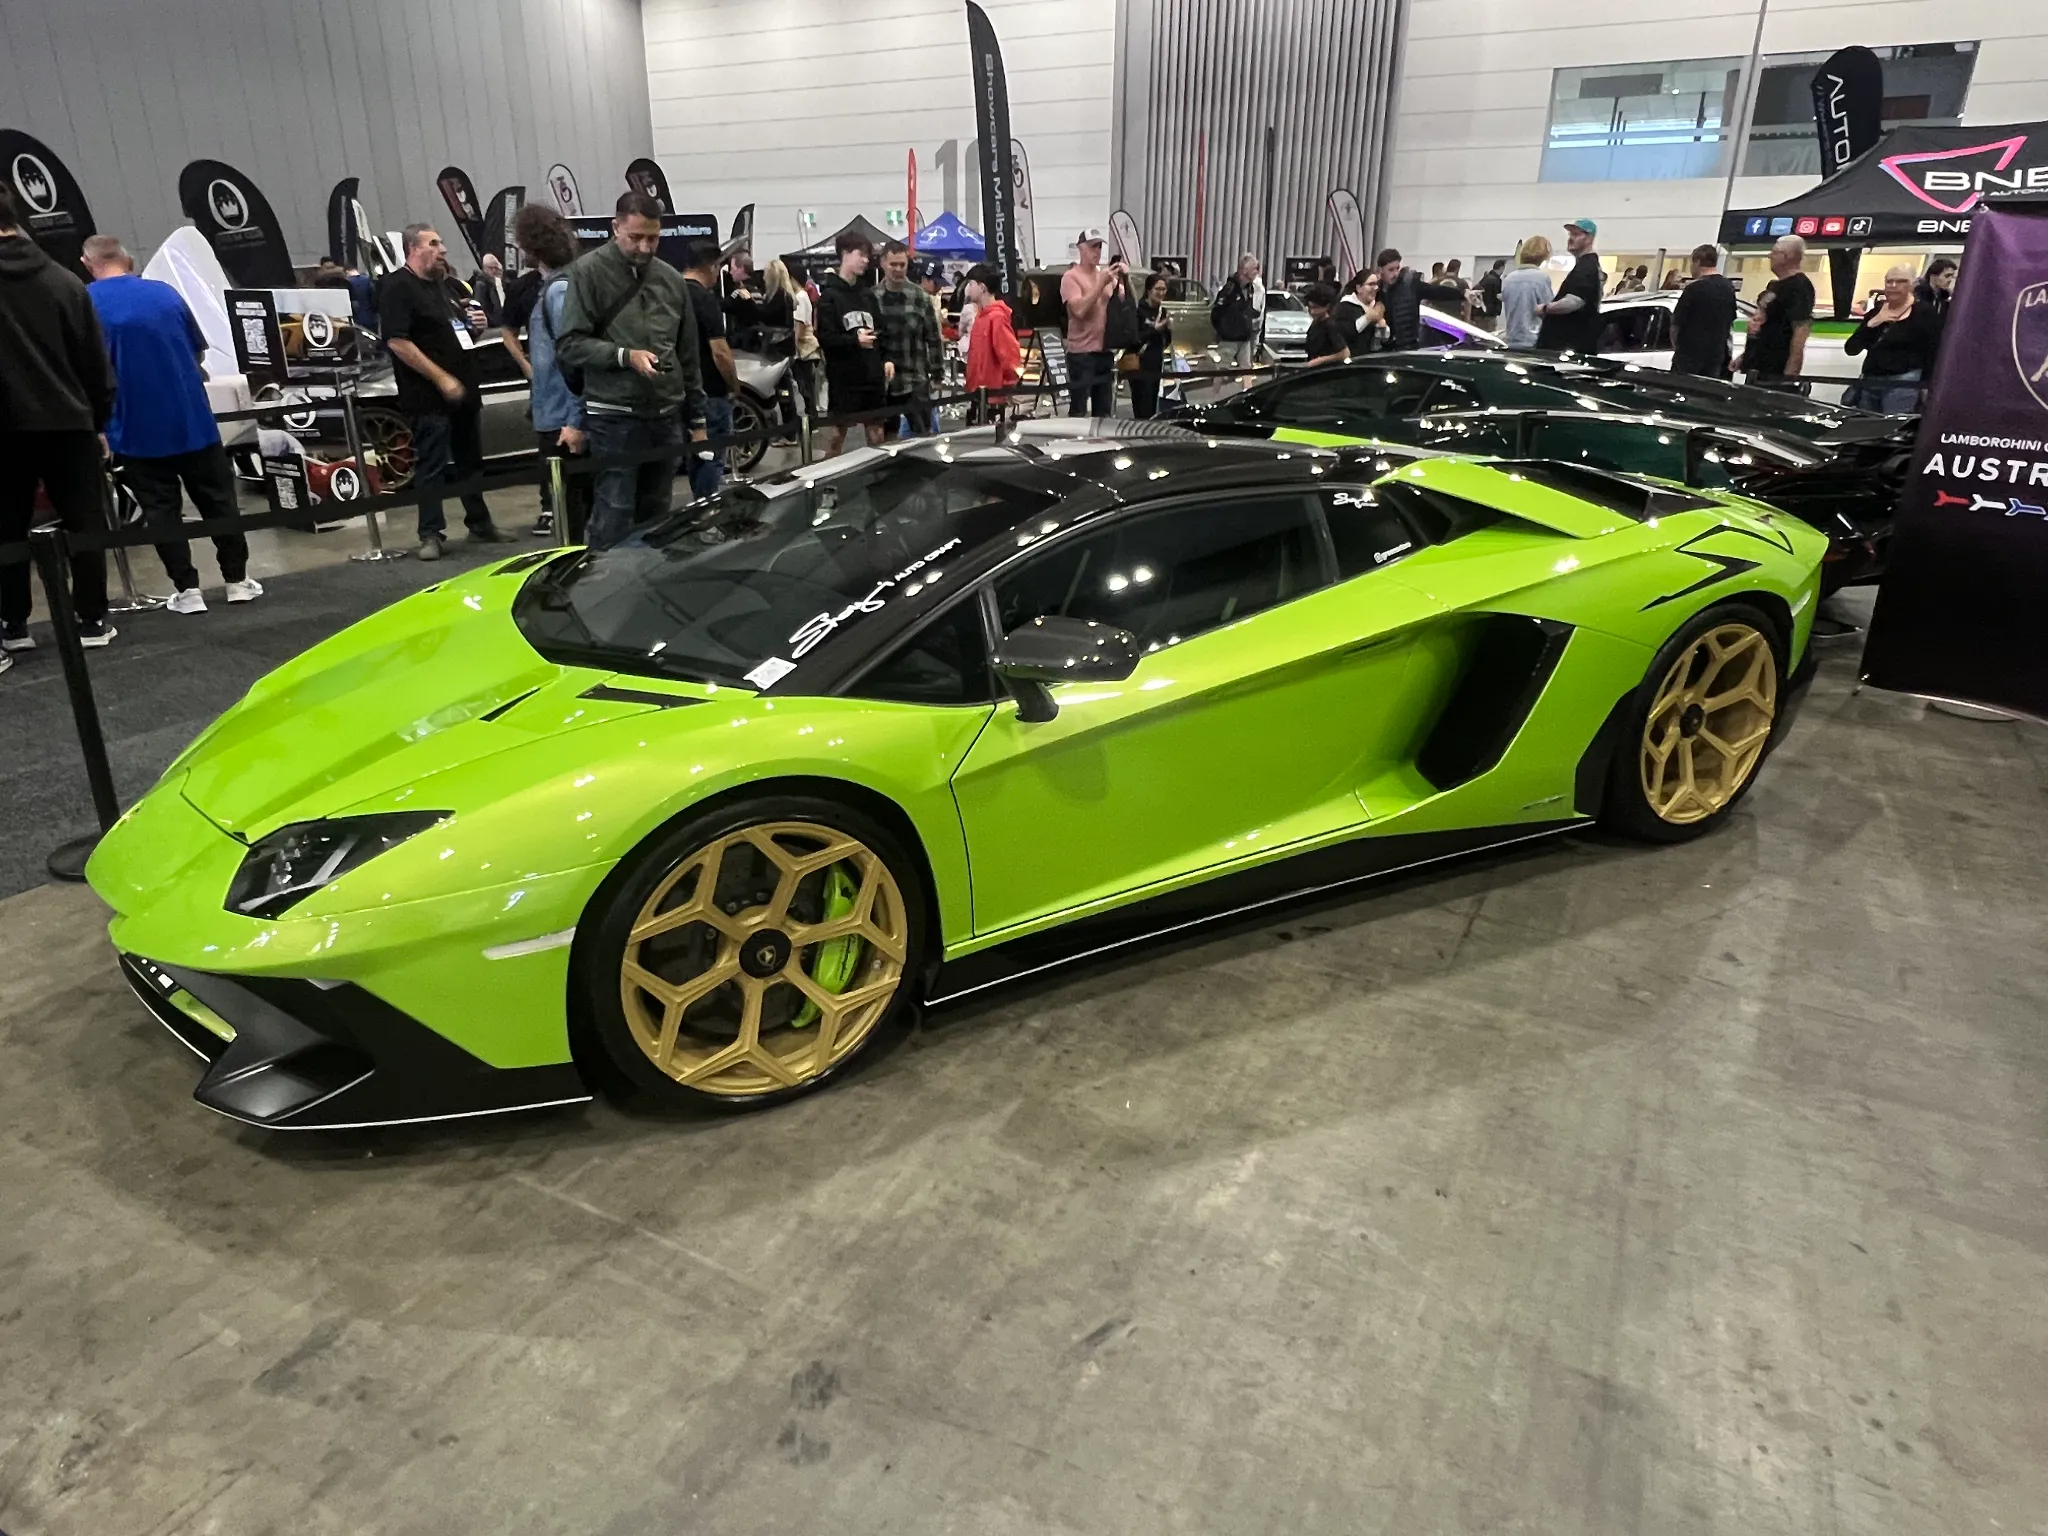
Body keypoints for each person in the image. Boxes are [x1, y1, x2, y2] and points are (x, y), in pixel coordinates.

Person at [81, 235, 260, 612]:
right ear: (127, 258)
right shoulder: (165, 294)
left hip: (133, 429)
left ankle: (188, 591)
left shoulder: (85, 303)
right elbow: (198, 351)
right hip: (192, 420)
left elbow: (86, 373)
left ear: (87, 263)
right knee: (219, 503)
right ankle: (237, 581)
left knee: (163, 513)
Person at [0, 182, 117, 656]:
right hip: (70, 423)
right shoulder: (65, 281)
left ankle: (12, 624)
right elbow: (95, 362)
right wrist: (99, 421)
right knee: (84, 522)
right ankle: (91, 619)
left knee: (4, 528)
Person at [556, 191, 705, 548]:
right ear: (615, 228)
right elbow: (570, 344)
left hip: (665, 415)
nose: (644, 247)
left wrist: (698, 421)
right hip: (614, 417)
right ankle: (600, 587)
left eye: (653, 238)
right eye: (635, 237)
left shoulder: (671, 281)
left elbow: (688, 354)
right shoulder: (587, 273)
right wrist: (626, 356)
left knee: (658, 514)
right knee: (614, 511)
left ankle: (646, 590)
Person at [378, 224, 503, 559]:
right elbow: (398, 342)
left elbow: (457, 335)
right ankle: (430, 534)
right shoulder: (398, 287)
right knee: (432, 464)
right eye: (434, 243)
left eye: (442, 242)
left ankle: (480, 523)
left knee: (471, 462)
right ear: (413, 248)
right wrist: (440, 377)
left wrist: (475, 328)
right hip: (428, 395)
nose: (443, 249)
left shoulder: (445, 286)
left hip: (464, 390)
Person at [505, 203, 587, 540]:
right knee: (567, 514)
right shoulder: (553, 287)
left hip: (562, 422)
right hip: (552, 414)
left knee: (575, 518)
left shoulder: (561, 291)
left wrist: (574, 421)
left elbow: (576, 361)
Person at [815, 229, 887, 453]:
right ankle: (827, 483)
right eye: (861, 254)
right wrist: (854, 340)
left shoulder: (867, 295)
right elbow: (826, 338)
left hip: (872, 377)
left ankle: (879, 480)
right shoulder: (829, 296)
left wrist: (886, 360)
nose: (866, 261)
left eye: (868, 256)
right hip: (844, 380)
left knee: (877, 435)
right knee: (836, 437)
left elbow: (882, 330)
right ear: (845, 253)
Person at [680, 238, 739, 499]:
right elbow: (719, 351)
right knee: (711, 458)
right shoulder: (704, 299)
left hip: (678, 392)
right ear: (711, 266)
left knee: (693, 456)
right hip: (709, 392)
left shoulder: (673, 294)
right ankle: (706, 516)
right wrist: (734, 384)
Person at [1842, 262, 1943, 414]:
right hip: (1871, 379)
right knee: (1866, 425)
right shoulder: (1876, 311)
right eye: (1889, 281)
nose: (1893, 285)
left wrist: (1925, 385)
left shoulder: (1925, 313)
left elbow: (1933, 352)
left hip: (1904, 382)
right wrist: (1872, 324)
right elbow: (1851, 348)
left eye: (1902, 281)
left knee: (1893, 429)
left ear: (1913, 285)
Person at [875, 241, 943, 437]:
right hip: (885, 382)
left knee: (923, 436)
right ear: (883, 263)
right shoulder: (872, 297)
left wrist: (937, 374)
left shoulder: (920, 297)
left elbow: (933, 337)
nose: (897, 269)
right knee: (885, 438)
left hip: (916, 380)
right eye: (893, 264)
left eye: (902, 265)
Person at [1061, 229, 1123, 416]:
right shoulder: (1071, 277)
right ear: (1081, 248)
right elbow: (1079, 310)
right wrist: (1100, 284)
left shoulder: (1105, 276)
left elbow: (1121, 306)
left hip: (1104, 350)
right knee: (1079, 409)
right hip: (1081, 353)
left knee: (1103, 411)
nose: (1096, 251)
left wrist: (1122, 282)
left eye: (1099, 246)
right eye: (1092, 246)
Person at [1740, 234, 1814, 387]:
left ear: (1787, 256)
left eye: (1774, 252)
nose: (1769, 256)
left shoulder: (1799, 287)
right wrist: (1745, 356)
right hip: (1758, 365)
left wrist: (1790, 372)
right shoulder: (1775, 285)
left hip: (1775, 368)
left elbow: (1801, 329)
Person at [1373, 248, 1470, 350]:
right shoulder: (1375, 291)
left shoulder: (1410, 286)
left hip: (1408, 347)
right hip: (1383, 349)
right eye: (1391, 270)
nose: (1395, 274)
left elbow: (1436, 291)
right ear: (1380, 270)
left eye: (1397, 268)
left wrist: (1463, 293)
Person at [1534, 218, 1605, 353]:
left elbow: (1573, 302)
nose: (1571, 238)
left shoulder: (1586, 267)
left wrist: (1544, 308)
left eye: (1576, 234)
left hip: (1568, 348)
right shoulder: (1587, 265)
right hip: (1569, 347)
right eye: (1570, 235)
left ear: (1590, 239)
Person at [960, 264, 1020, 421]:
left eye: (971, 284)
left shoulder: (996, 318)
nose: (968, 288)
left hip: (992, 397)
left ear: (982, 287)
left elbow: (1009, 356)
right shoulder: (982, 316)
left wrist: (1005, 389)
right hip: (979, 393)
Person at [1669, 243, 1737, 379]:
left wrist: (1679, 349)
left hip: (1689, 359)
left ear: (1697, 262)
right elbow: (1730, 321)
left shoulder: (1694, 289)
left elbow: (1676, 324)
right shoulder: (1728, 288)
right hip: (1715, 358)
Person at [1211, 253, 1265, 367]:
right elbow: (1216, 313)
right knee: (1222, 370)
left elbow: (1247, 309)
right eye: (1255, 269)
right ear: (1245, 270)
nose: (1257, 272)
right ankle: (1216, 385)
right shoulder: (1230, 289)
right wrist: (1224, 331)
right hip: (1229, 339)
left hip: (1244, 337)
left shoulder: (1251, 288)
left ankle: (1249, 386)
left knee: (1246, 368)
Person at [1131, 273, 1173, 418]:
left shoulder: (1163, 311)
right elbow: (1134, 338)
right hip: (1140, 365)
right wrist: (1153, 329)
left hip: (1156, 363)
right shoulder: (1139, 311)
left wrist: (1166, 329)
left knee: (1153, 407)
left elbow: (1166, 341)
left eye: (1164, 289)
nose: (1161, 293)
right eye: (1157, 289)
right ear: (1149, 290)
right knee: (1142, 405)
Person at [1500, 236, 1553, 349]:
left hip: (1511, 337)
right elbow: (1549, 309)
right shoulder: (1541, 278)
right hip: (1533, 340)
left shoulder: (1509, 278)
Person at [1334, 270, 1387, 357]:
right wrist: (1368, 317)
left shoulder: (1378, 306)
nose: (1375, 288)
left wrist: (1383, 327)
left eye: (1376, 284)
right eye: (1371, 284)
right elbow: (1349, 333)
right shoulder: (1345, 307)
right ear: (1359, 288)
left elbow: (1384, 340)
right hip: (1354, 359)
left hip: (1375, 359)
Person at [1302, 284, 1349, 367]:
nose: (1312, 312)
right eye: (1309, 307)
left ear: (1327, 306)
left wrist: (1320, 360)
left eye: (1316, 308)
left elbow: (1344, 353)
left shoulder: (1330, 325)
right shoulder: (1316, 323)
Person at [472, 253, 508, 327]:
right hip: (491, 326)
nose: (494, 270)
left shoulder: (498, 283)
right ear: (484, 268)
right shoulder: (481, 285)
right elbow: (480, 307)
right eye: (491, 268)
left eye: (496, 268)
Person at [1477, 258, 1506, 331]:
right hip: (1490, 314)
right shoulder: (1496, 280)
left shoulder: (1485, 278)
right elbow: (1498, 296)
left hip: (1480, 312)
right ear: (1502, 268)